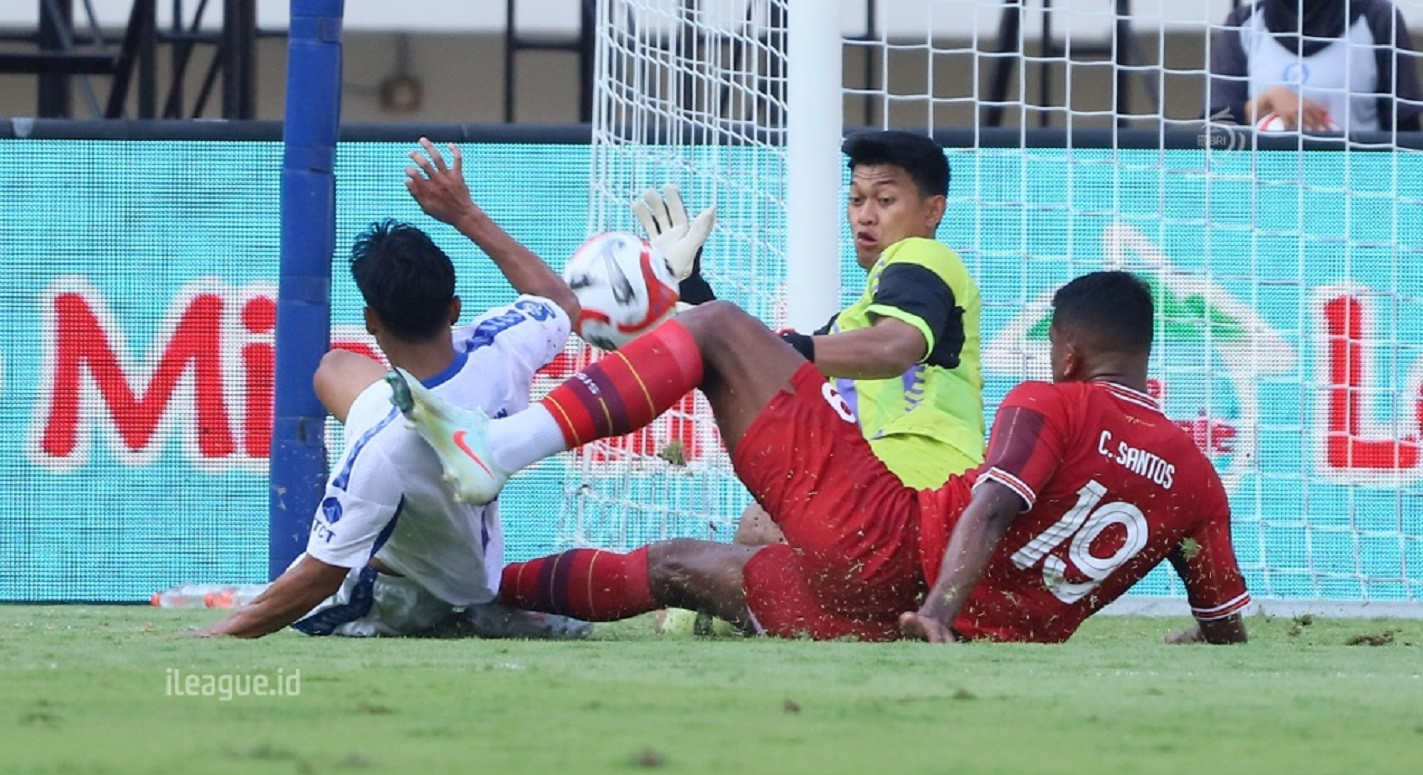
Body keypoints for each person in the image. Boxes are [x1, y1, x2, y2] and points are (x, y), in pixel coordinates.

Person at [393, 271, 1251, 645]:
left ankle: (497, 447)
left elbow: (992, 502)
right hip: (899, 626)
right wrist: (1205, 636)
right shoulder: (1197, 478)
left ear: (1065, 351)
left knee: (718, 327)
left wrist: (942, 609)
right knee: (677, 564)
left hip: (886, 556)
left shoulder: (1053, 400)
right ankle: (463, 597)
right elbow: (1222, 613)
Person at [199, 139, 605, 639]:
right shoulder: (502, 347)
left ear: (371, 321)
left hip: (401, 593)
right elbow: (560, 300)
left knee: (311, 596)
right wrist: (465, 213)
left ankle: (456, 616)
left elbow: (319, 575)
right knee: (334, 367)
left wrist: (213, 636)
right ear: (454, 308)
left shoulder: (383, 446)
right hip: (473, 557)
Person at [700, 130, 984, 548]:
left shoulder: (925, 255)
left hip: (928, 475)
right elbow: (764, 366)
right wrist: (691, 293)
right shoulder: (846, 328)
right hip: (892, 484)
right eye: (855, 200)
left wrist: (797, 348)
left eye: (884, 201)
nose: (865, 216)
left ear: (932, 211)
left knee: (760, 533)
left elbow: (894, 348)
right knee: (759, 529)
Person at [1207, 0, 1422, 132]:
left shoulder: (1379, 19)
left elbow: (1406, 134)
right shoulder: (1243, 23)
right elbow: (1212, 133)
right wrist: (1267, 101)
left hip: (1355, 197)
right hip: (1267, 197)